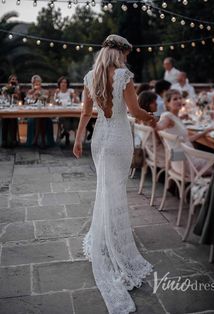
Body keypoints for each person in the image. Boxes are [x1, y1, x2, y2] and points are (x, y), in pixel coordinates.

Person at [73, 34, 155, 314]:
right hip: (119, 138)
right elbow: (133, 110)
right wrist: (150, 117)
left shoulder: (89, 76)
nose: (127, 59)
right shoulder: (123, 75)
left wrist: (78, 139)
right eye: (126, 54)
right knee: (115, 191)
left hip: (100, 139)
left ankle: (105, 236)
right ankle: (114, 241)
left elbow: (85, 113)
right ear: (120, 53)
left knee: (104, 190)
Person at [156, 89, 214, 175]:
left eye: (180, 98)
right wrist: (150, 120)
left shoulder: (174, 117)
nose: (179, 100)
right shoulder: (167, 117)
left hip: (179, 160)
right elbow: (158, 127)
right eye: (175, 99)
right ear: (167, 103)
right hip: (186, 163)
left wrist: (204, 132)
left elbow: (187, 139)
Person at [26, 75, 54, 147]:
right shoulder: (30, 92)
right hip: (33, 114)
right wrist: (33, 95)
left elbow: (48, 101)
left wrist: (42, 96)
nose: (37, 83)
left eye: (38, 81)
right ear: (32, 83)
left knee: (41, 118)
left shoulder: (45, 91)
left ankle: (36, 139)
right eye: (35, 82)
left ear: (41, 82)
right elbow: (27, 103)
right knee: (38, 118)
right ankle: (43, 140)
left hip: (44, 113)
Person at [54, 76, 79, 145]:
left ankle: (65, 133)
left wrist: (74, 96)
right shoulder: (57, 92)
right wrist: (56, 97)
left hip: (71, 112)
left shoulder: (70, 91)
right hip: (62, 113)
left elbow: (77, 102)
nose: (63, 84)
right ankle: (66, 134)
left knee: (75, 121)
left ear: (67, 84)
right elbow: (55, 103)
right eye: (62, 82)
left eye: (65, 82)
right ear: (59, 84)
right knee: (65, 120)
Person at [1, 74, 20, 147]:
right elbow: (3, 96)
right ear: (9, 81)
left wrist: (16, 93)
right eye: (12, 79)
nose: (13, 81)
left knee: (13, 118)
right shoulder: (5, 88)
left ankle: (13, 140)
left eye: (15, 79)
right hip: (6, 107)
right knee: (5, 118)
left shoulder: (17, 89)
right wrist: (7, 90)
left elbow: (19, 98)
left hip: (15, 108)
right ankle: (4, 140)